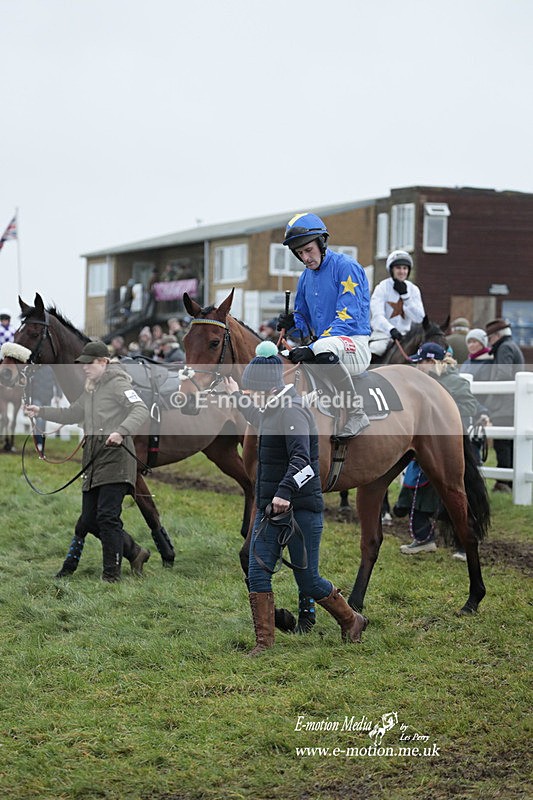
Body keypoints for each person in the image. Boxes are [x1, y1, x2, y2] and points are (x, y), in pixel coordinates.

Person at [223, 340, 368, 655]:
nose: (251, 395)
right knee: (258, 570)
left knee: (310, 582)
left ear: (267, 387)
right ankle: (264, 643)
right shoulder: (274, 408)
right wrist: (235, 394)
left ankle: (351, 620)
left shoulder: (293, 412)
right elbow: (259, 419)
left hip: (300, 511)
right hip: (270, 509)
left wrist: (285, 493)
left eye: (252, 390)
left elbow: (304, 463)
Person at [24, 340, 150, 582]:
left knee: (107, 518)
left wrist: (121, 431)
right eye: (82, 364)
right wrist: (41, 411)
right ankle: (135, 552)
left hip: (116, 460)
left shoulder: (118, 383)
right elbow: (72, 413)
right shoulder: (91, 388)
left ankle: (110, 576)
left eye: (89, 363)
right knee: (89, 519)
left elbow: (140, 409)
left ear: (103, 362)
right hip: (93, 461)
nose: (84, 368)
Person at [278, 212, 371, 439]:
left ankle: (357, 413)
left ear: (321, 243)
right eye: (300, 253)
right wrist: (291, 323)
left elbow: (347, 318)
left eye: (308, 250)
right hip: (326, 347)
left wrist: (312, 348)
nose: (306, 258)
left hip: (354, 345)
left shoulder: (347, 267)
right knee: (279, 357)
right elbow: (303, 324)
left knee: (321, 348)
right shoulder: (305, 277)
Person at [395, 342, 487, 560]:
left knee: (453, 496)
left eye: (422, 362)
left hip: (449, 448)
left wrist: (442, 416)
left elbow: (468, 407)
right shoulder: (419, 384)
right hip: (424, 447)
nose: (418, 366)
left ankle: (464, 545)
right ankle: (423, 538)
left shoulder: (454, 382)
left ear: (432, 362)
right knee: (414, 490)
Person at [484, 318, 525, 493]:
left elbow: (503, 373)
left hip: (505, 406)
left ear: (497, 335)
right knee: (509, 444)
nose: (489, 341)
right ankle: (509, 481)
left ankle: (503, 482)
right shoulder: (511, 346)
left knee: (503, 445)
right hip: (511, 405)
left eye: (490, 337)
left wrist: (489, 394)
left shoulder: (505, 348)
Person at [369, 250, 426, 356]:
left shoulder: (413, 290)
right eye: (398, 268)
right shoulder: (382, 287)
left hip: (406, 337)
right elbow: (377, 316)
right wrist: (391, 330)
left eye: (405, 268)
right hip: (383, 335)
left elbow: (419, 318)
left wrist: (406, 296)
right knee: (376, 349)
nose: (402, 271)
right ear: (391, 270)